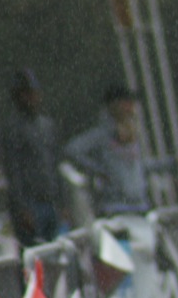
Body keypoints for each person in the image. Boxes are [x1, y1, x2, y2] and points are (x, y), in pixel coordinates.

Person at [64, 84, 151, 216]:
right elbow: (72, 150)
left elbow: (141, 165)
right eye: (127, 102)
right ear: (115, 105)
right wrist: (99, 170)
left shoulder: (132, 133)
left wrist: (173, 162)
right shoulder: (102, 135)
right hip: (115, 209)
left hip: (140, 207)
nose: (131, 107)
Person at [0, 69, 64, 247]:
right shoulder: (13, 130)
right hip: (30, 204)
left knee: (54, 252)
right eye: (27, 94)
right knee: (34, 255)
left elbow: (54, 164)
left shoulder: (46, 126)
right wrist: (22, 208)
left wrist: (62, 200)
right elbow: (13, 172)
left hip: (49, 200)